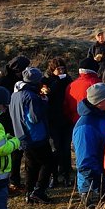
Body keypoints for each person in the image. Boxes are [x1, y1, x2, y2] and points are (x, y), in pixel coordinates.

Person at [10, 67, 54, 204]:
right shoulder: (32, 97)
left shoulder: (15, 94)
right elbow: (35, 118)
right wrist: (45, 102)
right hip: (35, 136)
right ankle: (39, 191)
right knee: (48, 162)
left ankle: (29, 192)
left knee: (31, 164)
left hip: (21, 135)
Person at [72, 83, 105, 209]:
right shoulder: (85, 127)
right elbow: (85, 163)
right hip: (95, 187)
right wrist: (100, 187)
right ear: (98, 101)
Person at [0, 55, 30, 193]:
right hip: (5, 120)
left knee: (16, 151)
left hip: (12, 118)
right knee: (13, 151)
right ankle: (11, 182)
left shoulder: (14, 78)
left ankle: (13, 180)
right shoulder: (3, 81)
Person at [41, 57, 73, 188]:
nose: (61, 71)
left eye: (62, 68)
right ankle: (54, 175)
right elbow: (48, 93)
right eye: (58, 69)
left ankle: (66, 174)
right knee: (55, 149)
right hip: (53, 120)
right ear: (52, 69)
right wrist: (58, 82)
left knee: (65, 149)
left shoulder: (68, 79)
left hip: (66, 118)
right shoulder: (46, 81)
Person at [64, 57, 102, 126]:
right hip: (94, 123)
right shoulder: (97, 85)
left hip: (75, 122)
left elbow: (66, 108)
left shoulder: (70, 85)